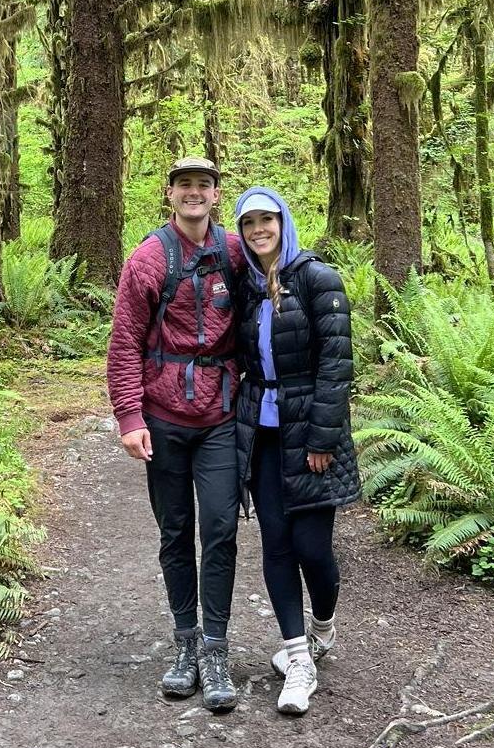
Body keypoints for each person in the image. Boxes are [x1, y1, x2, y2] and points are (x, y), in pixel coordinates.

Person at [106, 156, 246, 713]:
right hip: (164, 418)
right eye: (185, 185)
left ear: (216, 195)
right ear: (170, 194)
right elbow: (124, 344)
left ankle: (215, 649)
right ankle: (184, 644)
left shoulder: (235, 252)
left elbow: (275, 291)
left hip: (221, 417)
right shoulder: (146, 260)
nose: (194, 193)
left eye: (204, 186)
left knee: (220, 529)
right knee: (174, 533)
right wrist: (129, 416)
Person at [233, 185, 361, 716]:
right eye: (248, 223)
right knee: (277, 545)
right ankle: (296, 655)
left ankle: (322, 624)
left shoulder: (318, 279)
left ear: (283, 222)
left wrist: (321, 439)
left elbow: (336, 366)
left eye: (267, 219)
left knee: (312, 546)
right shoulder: (244, 287)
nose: (259, 229)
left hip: (309, 433)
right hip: (260, 435)